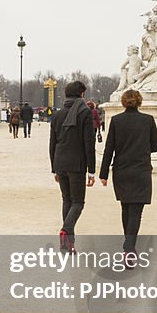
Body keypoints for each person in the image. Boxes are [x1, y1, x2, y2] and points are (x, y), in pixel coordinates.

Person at [99, 89, 157, 258]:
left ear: (123, 102)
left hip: (121, 170)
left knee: (125, 208)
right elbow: (155, 146)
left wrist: (103, 174)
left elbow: (109, 149)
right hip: (141, 170)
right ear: (140, 101)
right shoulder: (148, 120)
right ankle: (129, 247)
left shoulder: (116, 121)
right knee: (136, 211)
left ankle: (128, 244)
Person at [48, 81, 96, 252]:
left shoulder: (58, 115)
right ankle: (66, 231)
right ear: (81, 94)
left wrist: (54, 167)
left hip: (60, 161)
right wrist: (92, 170)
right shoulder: (85, 112)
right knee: (78, 202)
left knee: (67, 200)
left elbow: (52, 143)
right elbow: (88, 143)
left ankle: (68, 244)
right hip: (77, 164)